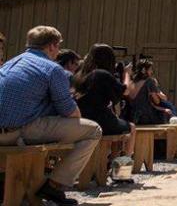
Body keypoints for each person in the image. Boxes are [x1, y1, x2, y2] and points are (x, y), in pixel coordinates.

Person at [0, 26, 101, 206]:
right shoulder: (52, 69)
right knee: (93, 130)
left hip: (5, 130)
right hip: (19, 130)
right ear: (53, 46)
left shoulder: (10, 63)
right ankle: (55, 184)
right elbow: (70, 112)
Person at [73, 43, 136, 156]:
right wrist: (127, 73)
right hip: (99, 119)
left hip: (82, 118)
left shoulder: (81, 74)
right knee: (131, 127)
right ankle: (125, 162)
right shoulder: (102, 74)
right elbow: (125, 91)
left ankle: (109, 158)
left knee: (115, 121)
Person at [127, 59, 169, 125]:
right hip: (146, 116)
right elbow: (160, 100)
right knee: (166, 112)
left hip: (132, 115)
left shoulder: (131, 81)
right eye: (150, 69)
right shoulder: (149, 81)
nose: (151, 72)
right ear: (144, 70)